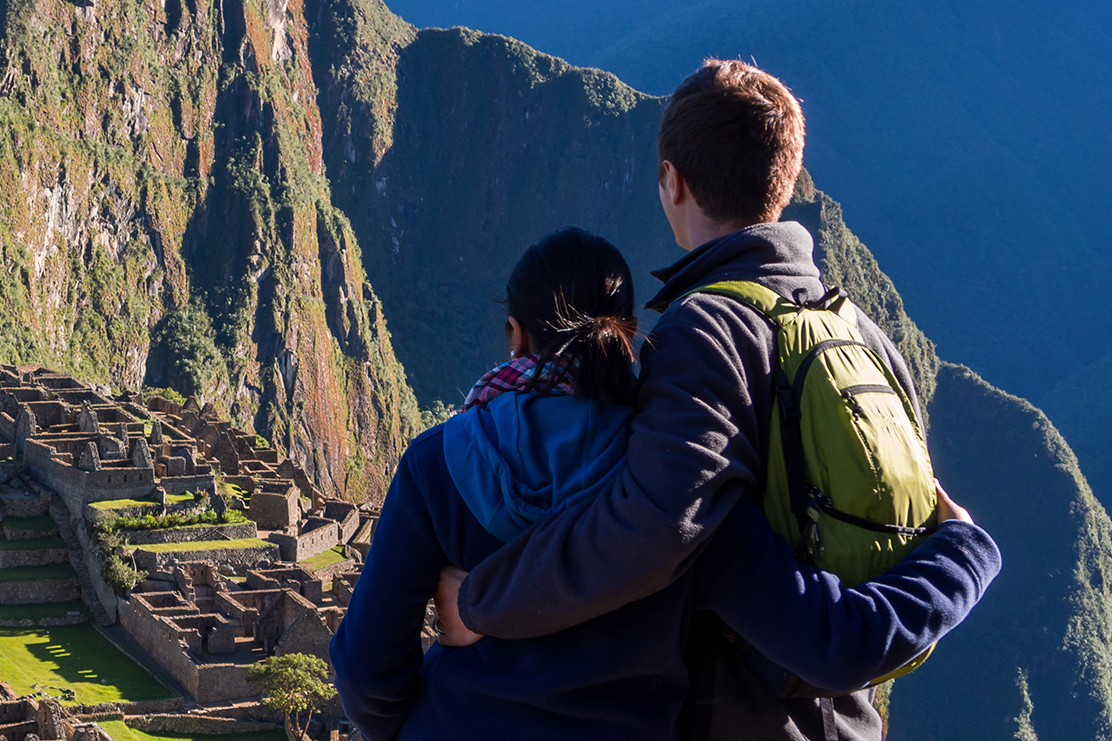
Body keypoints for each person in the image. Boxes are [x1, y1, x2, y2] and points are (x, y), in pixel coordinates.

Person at [442, 60, 991, 739]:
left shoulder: (709, 332)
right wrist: (966, 546)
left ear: (672, 180)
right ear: (784, 182)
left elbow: (647, 529)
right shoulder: (860, 332)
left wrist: (479, 599)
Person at [331, 226, 999, 740]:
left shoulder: (435, 465)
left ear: (515, 335)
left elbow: (366, 668)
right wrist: (965, 547)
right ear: (629, 334)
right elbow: (832, 639)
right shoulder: (679, 480)